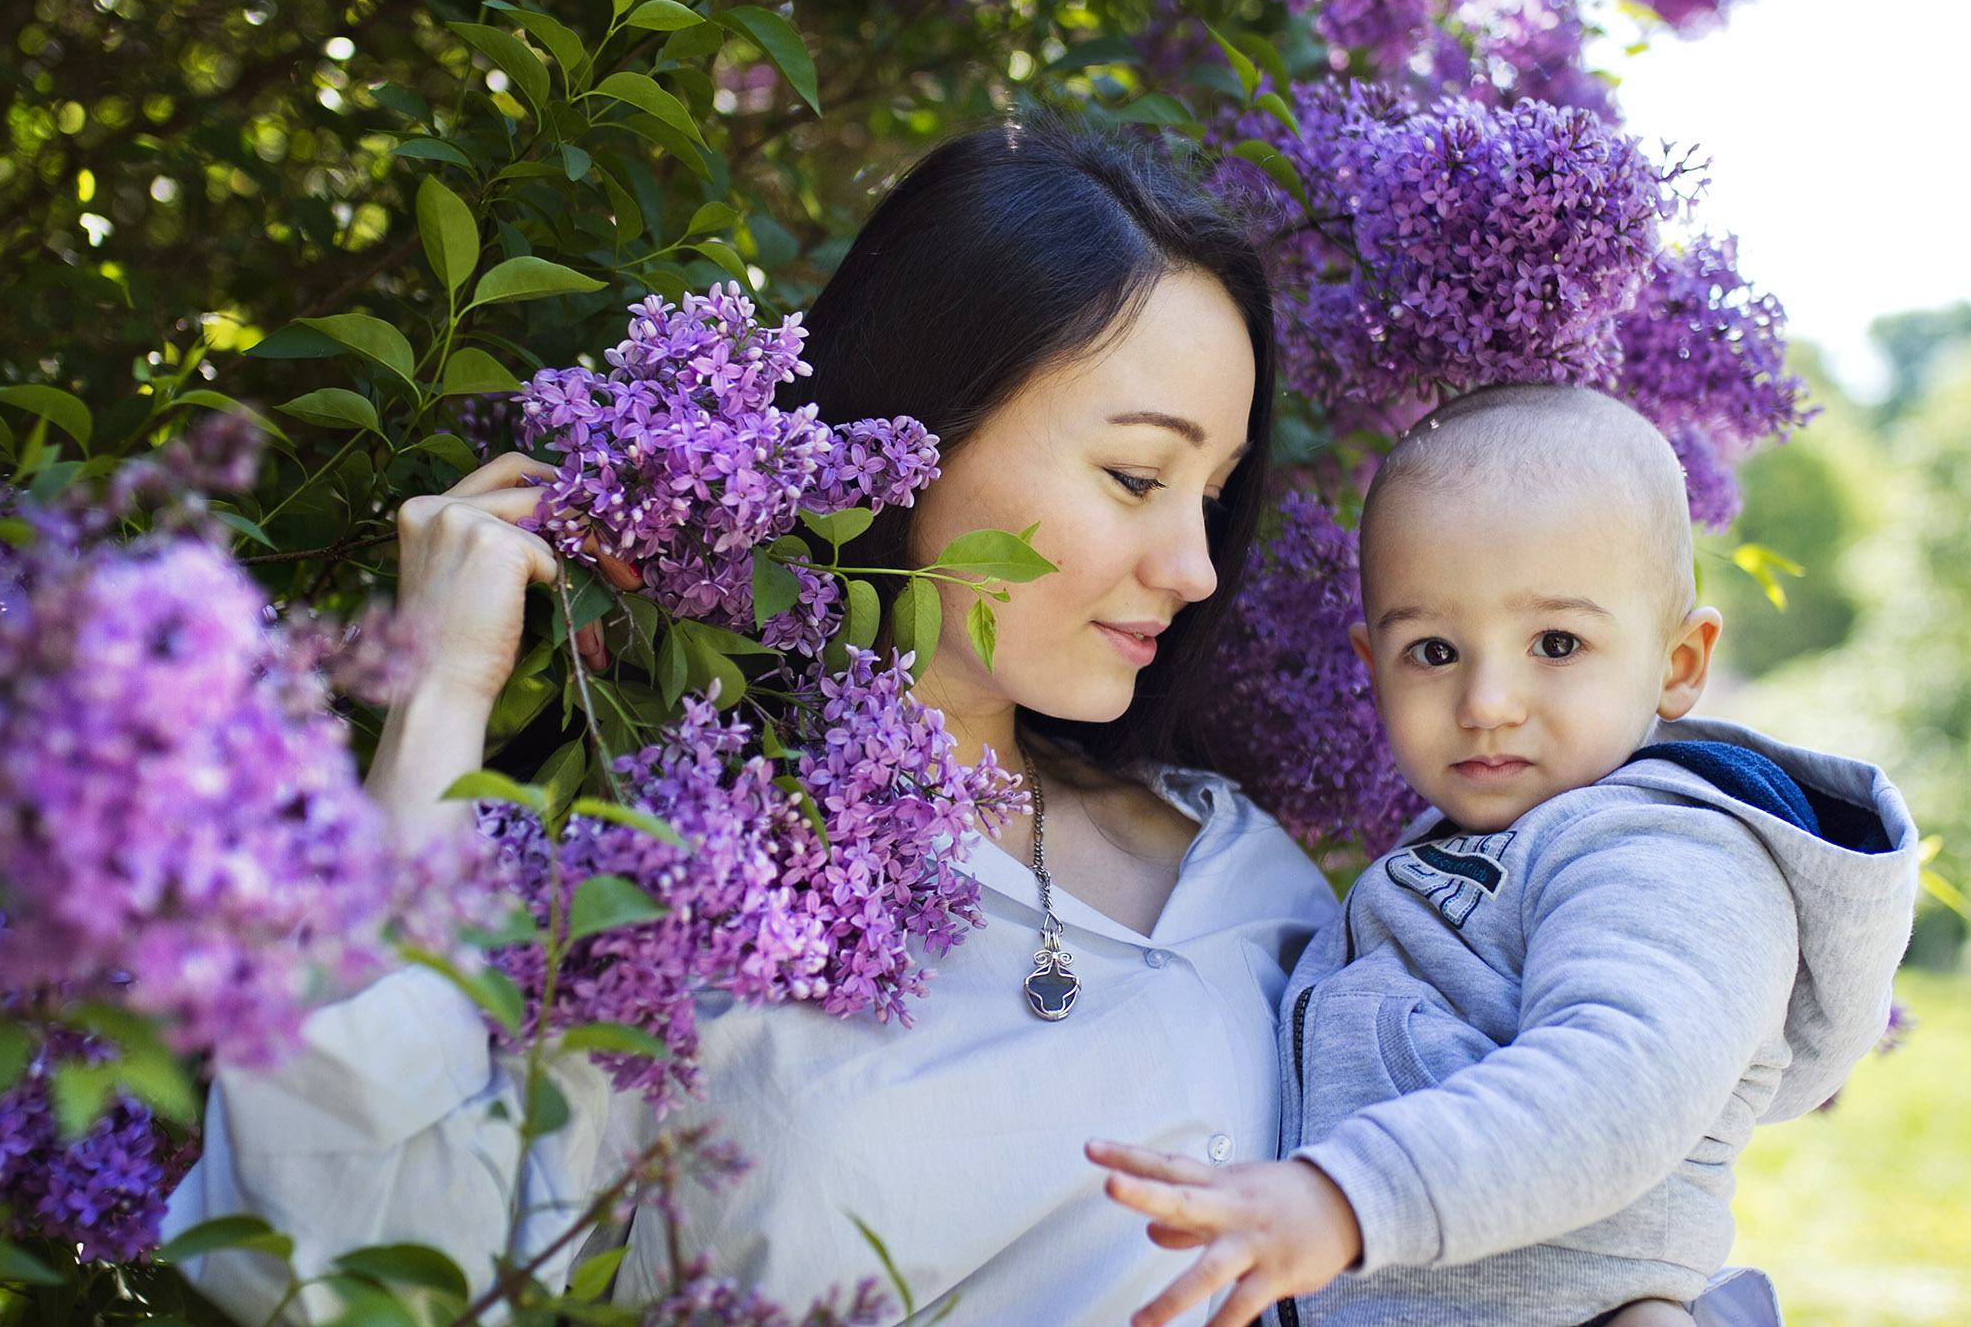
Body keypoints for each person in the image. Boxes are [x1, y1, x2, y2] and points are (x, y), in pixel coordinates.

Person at [164, 120, 1344, 1324]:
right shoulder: (672, 878)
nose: (1196, 565)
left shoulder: (1255, 884)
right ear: (921, 431)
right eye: (1139, 476)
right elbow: (327, 1265)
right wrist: (438, 696)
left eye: (1211, 493)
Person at [1088, 384, 1919, 1327]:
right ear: (1372, 664)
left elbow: (1618, 1082)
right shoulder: (1466, 852)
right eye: (1434, 650)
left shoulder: (1669, 850)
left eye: (1556, 642)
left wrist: (1348, 1196)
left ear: (1679, 663)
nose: (1488, 699)